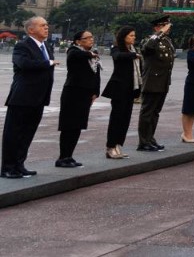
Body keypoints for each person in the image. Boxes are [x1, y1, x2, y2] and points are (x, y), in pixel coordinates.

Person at [1, 16, 57, 178]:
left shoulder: (46, 46)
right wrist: (48, 63)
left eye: (47, 25)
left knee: (27, 133)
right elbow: (24, 64)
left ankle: (19, 165)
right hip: (22, 98)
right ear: (31, 29)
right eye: (42, 25)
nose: (46, 28)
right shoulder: (22, 46)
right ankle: (8, 168)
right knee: (14, 134)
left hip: (39, 98)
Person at [56, 29, 102, 168]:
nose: (91, 39)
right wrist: (90, 54)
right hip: (73, 93)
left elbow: (96, 75)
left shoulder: (92, 55)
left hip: (85, 94)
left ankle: (69, 156)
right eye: (87, 38)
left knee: (78, 126)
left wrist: (95, 92)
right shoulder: (74, 51)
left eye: (91, 37)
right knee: (68, 126)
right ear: (78, 41)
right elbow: (75, 55)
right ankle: (63, 157)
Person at [102, 26, 142, 159]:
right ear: (124, 37)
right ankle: (110, 146)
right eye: (131, 35)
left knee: (125, 119)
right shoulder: (117, 48)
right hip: (119, 89)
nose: (134, 37)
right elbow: (118, 57)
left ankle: (118, 145)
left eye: (134, 35)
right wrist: (133, 55)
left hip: (131, 89)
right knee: (116, 118)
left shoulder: (134, 49)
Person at [137, 15, 176, 152]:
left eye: (168, 25)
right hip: (152, 81)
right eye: (164, 25)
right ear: (156, 27)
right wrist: (160, 33)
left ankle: (150, 139)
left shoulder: (167, 41)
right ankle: (143, 142)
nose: (167, 28)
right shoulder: (149, 40)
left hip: (163, 81)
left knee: (155, 113)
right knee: (147, 112)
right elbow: (148, 48)